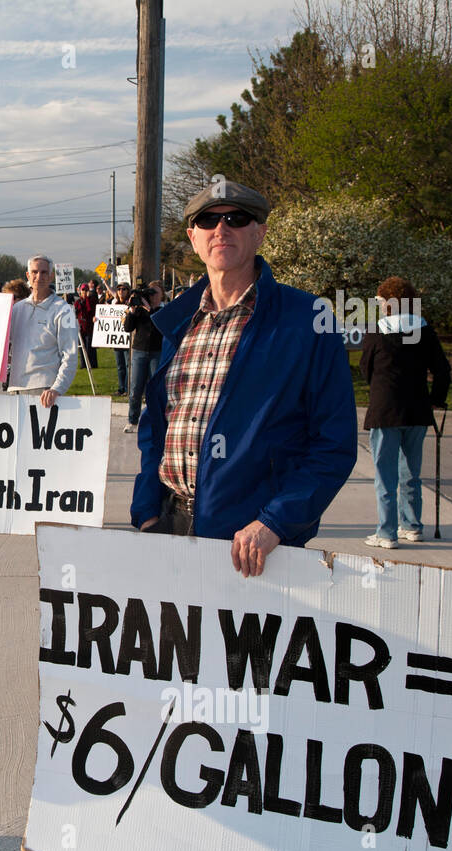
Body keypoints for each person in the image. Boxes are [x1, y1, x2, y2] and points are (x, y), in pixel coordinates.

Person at [130, 180, 356, 577]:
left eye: (237, 218)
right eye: (208, 221)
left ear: (259, 231)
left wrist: (275, 523)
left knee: (248, 644)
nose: (222, 229)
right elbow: (156, 430)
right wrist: (147, 510)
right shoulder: (179, 323)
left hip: (256, 545)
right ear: (193, 237)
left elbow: (333, 444)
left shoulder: (307, 320)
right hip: (169, 528)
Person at [361, 276, 451, 548]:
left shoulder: (377, 332)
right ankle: (411, 526)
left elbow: (366, 369)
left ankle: (386, 533)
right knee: (411, 472)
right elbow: (442, 370)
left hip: (385, 411)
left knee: (385, 476)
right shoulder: (425, 331)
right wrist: (436, 399)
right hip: (417, 411)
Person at [6, 255, 79, 407]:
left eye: (44, 272)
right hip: (15, 388)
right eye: (34, 272)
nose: (39, 276)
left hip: (45, 392)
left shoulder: (64, 310)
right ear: (28, 275)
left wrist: (56, 389)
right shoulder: (17, 309)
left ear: (51, 276)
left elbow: (70, 356)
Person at [123, 280, 165, 434]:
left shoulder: (163, 310)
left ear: (162, 295)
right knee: (135, 389)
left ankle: (155, 421)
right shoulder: (140, 311)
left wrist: (149, 308)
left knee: (155, 389)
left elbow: (161, 326)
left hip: (156, 352)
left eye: (155, 293)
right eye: (150, 293)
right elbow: (128, 328)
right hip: (139, 351)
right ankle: (132, 420)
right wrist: (133, 311)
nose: (152, 296)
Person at [73, 281, 98, 371]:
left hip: (89, 327)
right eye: (83, 290)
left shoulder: (92, 300)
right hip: (81, 327)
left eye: (86, 290)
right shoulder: (78, 302)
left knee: (89, 346)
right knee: (82, 347)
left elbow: (90, 309)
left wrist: (87, 298)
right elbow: (75, 312)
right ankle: (83, 364)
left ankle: (92, 364)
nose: (84, 292)